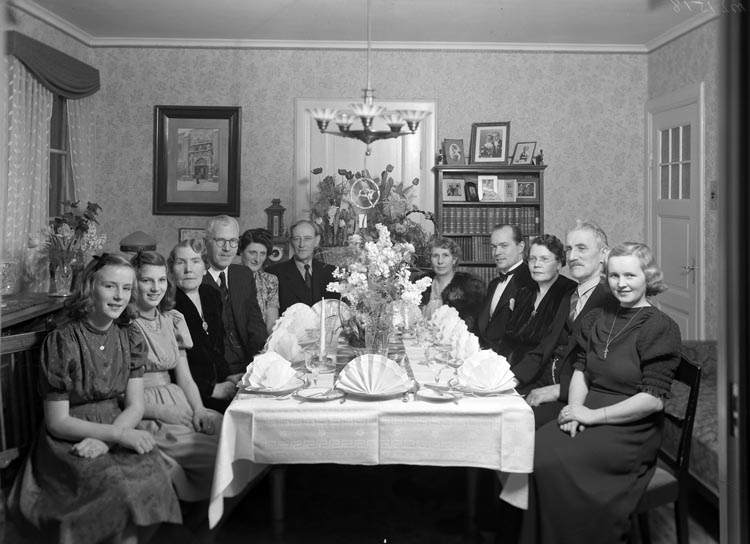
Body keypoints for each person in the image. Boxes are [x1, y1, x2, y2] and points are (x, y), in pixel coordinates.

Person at [9, 253, 181, 544]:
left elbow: (135, 405)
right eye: (110, 286)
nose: (119, 296)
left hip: (118, 422)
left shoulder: (130, 336)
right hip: (70, 437)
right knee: (119, 491)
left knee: (156, 480)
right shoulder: (63, 339)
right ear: (90, 287)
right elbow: (57, 422)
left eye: (126, 288)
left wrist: (109, 439)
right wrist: (117, 435)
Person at [519, 242, 681, 544]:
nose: (621, 284)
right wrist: (573, 410)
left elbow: (653, 400)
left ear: (648, 277)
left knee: (552, 461)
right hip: (587, 409)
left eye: (630, 275)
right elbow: (581, 369)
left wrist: (592, 416)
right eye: (615, 275)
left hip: (630, 427)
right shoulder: (597, 317)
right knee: (537, 449)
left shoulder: (659, 327)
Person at [131, 251, 222, 502]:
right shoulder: (125, 325)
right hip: (146, 409)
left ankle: (216, 513)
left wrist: (199, 410)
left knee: (233, 434)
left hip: (179, 399)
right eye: (146, 280)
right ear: (133, 283)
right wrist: (161, 412)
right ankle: (199, 515)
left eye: (161, 280)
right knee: (216, 455)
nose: (155, 288)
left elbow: (185, 378)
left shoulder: (171, 319)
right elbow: (118, 391)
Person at [515, 220, 617, 427]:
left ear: (604, 254)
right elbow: (545, 347)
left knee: (514, 423)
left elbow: (609, 369)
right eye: (569, 249)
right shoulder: (570, 295)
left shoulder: (613, 299)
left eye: (581, 248)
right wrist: (510, 379)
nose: (572, 257)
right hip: (543, 382)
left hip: (577, 397)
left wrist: (559, 390)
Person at [170, 239, 242, 413]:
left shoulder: (211, 295)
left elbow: (216, 349)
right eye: (181, 262)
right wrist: (211, 390)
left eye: (195, 261)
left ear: (204, 267)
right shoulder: (168, 303)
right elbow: (172, 365)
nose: (188, 269)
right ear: (171, 269)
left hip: (218, 384)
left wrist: (228, 377)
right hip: (189, 394)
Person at [203, 215, 268, 374]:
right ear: (206, 242)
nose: (227, 248)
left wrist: (261, 364)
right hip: (214, 370)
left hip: (247, 364)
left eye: (233, 241)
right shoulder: (195, 278)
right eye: (220, 241)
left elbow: (256, 327)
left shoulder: (243, 275)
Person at [497, 234, 576, 365]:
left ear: (559, 263)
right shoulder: (523, 293)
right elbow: (508, 338)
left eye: (544, 259)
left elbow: (557, 345)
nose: (536, 265)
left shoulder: (570, 292)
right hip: (508, 365)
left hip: (544, 368)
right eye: (532, 259)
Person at [476, 224, 535, 352]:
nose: (497, 252)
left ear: (520, 247)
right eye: (494, 247)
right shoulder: (493, 284)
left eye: (504, 246)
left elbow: (525, 336)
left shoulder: (531, 281)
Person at [266, 219, 339, 315]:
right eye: (297, 239)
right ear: (291, 241)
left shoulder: (332, 273)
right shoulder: (274, 274)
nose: (301, 244)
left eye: (307, 238)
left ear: (317, 241)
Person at [419, 236, 486, 333]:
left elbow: (469, 328)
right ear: (430, 259)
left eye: (445, 255)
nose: (440, 261)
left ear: (454, 259)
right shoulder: (421, 284)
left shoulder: (468, 288)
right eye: (435, 256)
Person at [238, 228, 280, 334]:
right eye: (252, 253)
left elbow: (271, 324)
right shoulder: (227, 277)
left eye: (262, 254)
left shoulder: (270, 281)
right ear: (241, 252)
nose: (257, 259)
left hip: (262, 340)